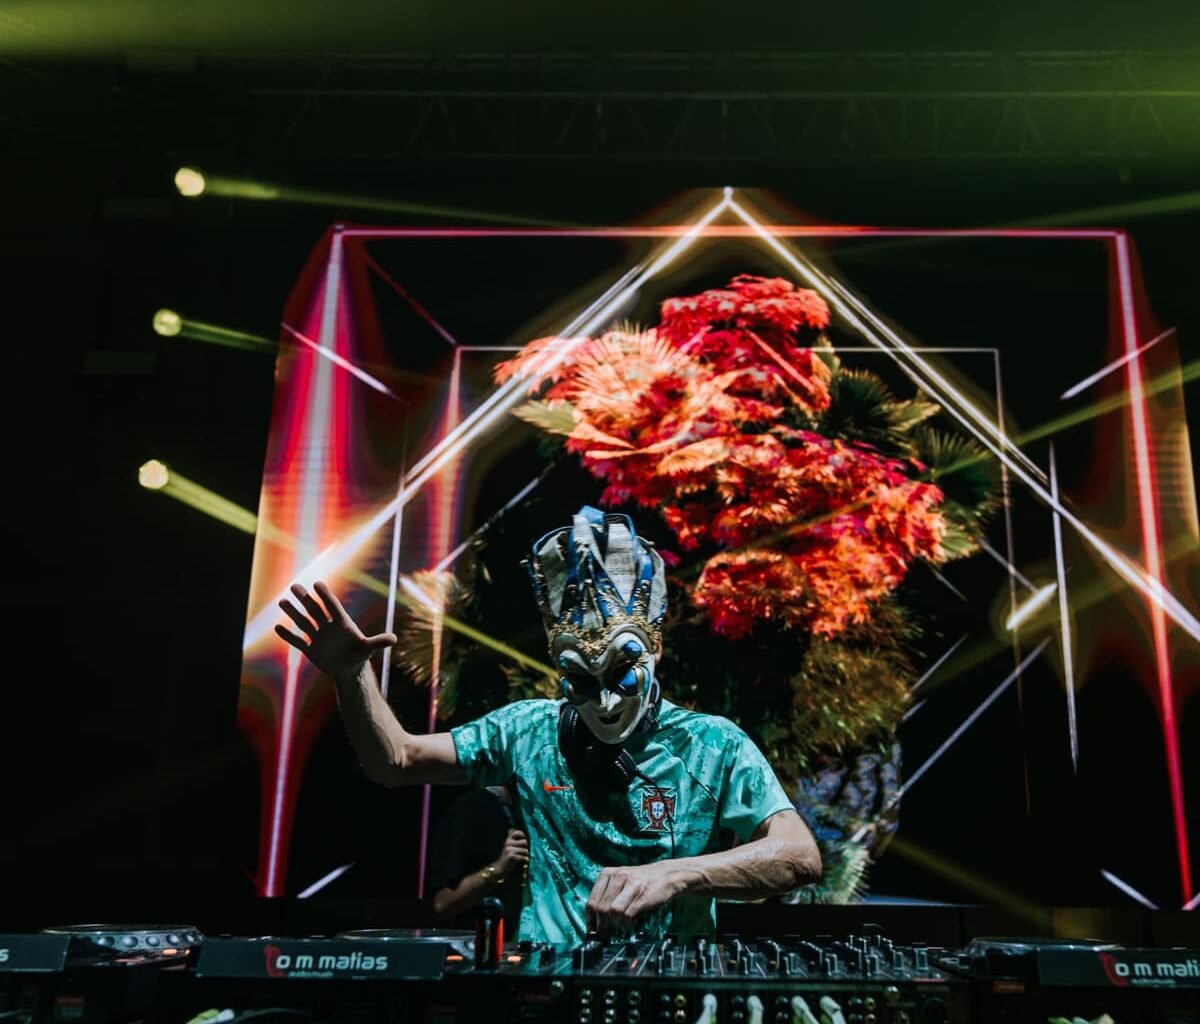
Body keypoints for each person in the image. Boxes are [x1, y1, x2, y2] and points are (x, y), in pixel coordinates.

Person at [276, 506, 821, 945]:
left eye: (622, 672)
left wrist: (676, 874)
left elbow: (800, 855)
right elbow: (395, 760)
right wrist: (352, 676)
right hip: (548, 987)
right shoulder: (528, 731)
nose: (604, 701)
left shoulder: (712, 744)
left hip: (666, 988)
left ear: (654, 648)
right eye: (580, 680)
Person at [427, 785, 526, 934]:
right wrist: (497, 870)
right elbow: (442, 904)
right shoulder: (472, 808)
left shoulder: (546, 817)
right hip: (485, 942)